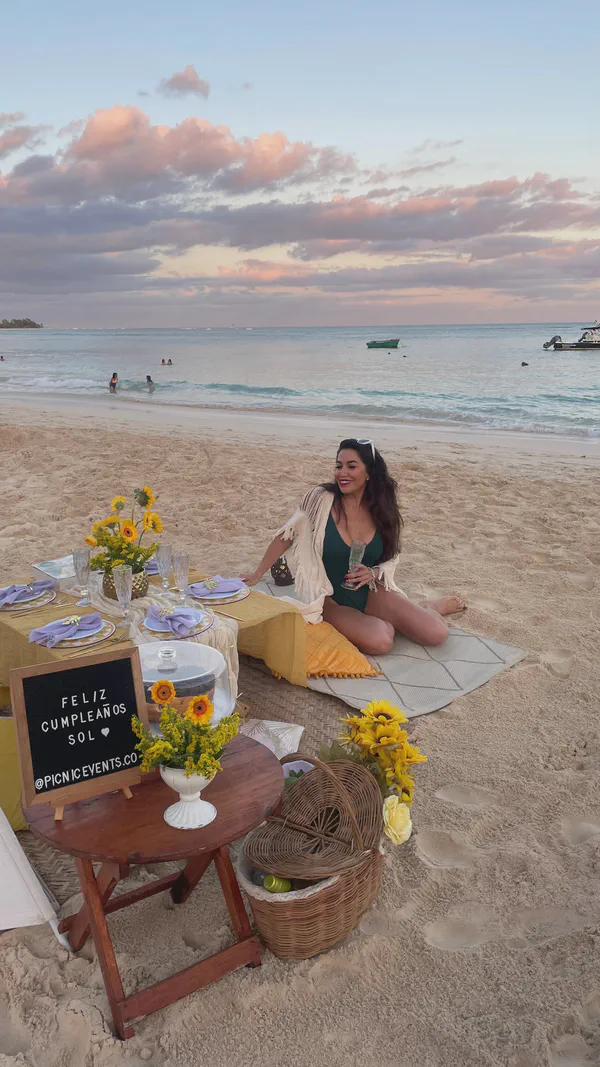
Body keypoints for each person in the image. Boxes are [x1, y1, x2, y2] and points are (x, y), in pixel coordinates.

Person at [242, 438, 465, 655]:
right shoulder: (320, 499)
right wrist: (257, 573)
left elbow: (392, 556)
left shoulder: (382, 509)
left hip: (370, 590)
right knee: (382, 641)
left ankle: (429, 607)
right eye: (338, 466)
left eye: (351, 466)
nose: (342, 473)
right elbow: (287, 534)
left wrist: (374, 572)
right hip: (331, 597)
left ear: (369, 473)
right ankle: (388, 619)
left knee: (436, 634)